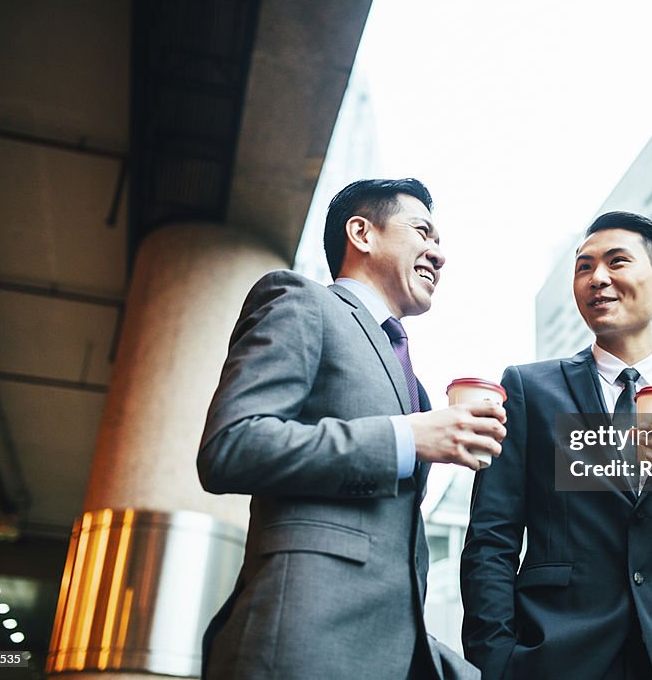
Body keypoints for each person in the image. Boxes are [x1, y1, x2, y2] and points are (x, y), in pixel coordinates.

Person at [198, 178, 505, 679]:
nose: (439, 254)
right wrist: (407, 438)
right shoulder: (300, 301)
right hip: (300, 642)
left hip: (386, 653)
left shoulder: (415, 383)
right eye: (423, 232)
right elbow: (232, 445)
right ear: (362, 233)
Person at [461, 211, 652, 679]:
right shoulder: (528, 391)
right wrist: (495, 662)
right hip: (556, 660)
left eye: (616, 262)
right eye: (584, 267)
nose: (597, 278)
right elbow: (491, 541)